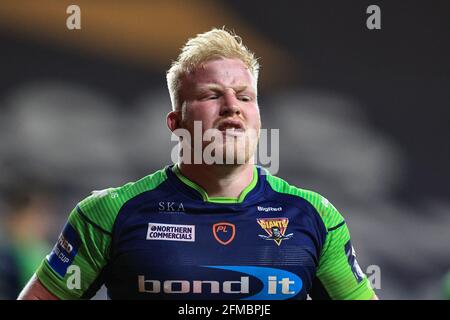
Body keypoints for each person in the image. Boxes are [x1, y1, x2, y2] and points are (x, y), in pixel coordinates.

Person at [18, 28, 377, 300]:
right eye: (212, 95)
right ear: (176, 122)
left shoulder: (315, 217)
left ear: (258, 117)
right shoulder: (108, 214)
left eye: (245, 96)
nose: (232, 106)